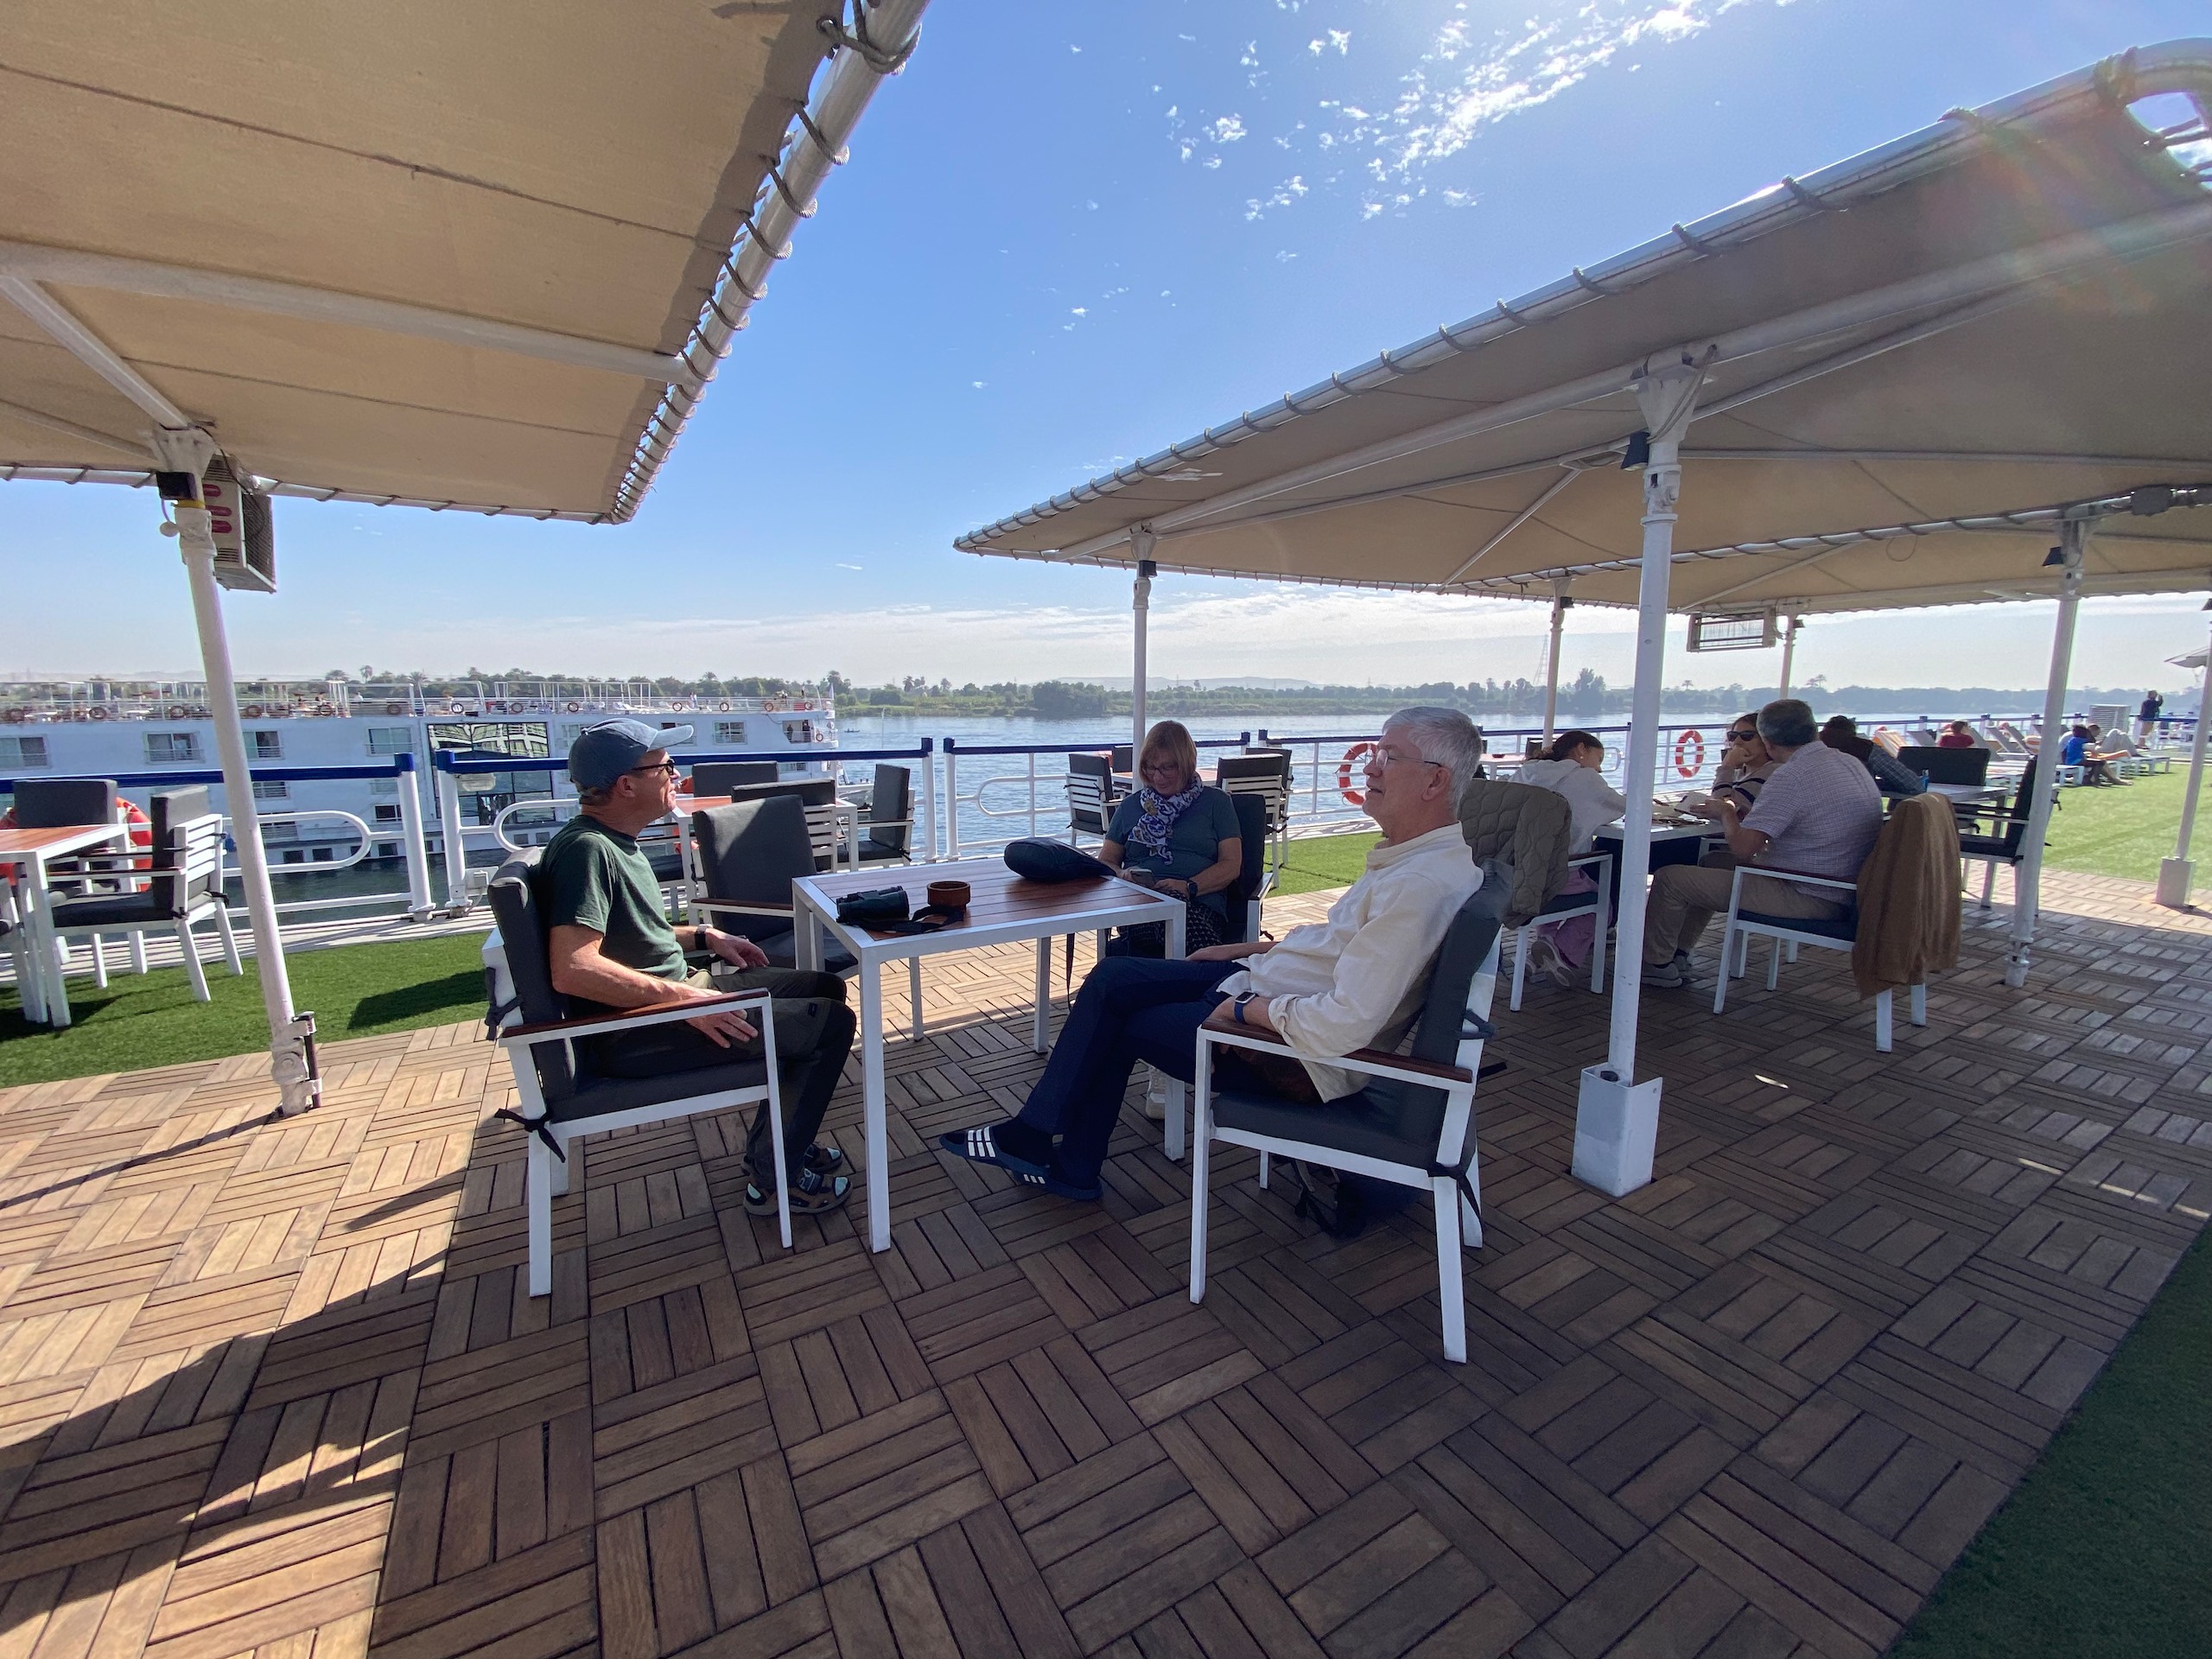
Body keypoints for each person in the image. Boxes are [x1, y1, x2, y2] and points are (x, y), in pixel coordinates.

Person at [939, 709, 1484, 1200]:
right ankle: (1044, 1143)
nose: (1370, 768)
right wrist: (1248, 949)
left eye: (1388, 757)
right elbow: (1339, 950)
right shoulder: (1414, 862)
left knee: (1118, 1018)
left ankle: (1058, 1154)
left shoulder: (1418, 886)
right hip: (1264, 982)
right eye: (1374, 753)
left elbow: (1345, 1024)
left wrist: (1245, 1009)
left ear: (1435, 780)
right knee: (1112, 977)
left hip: (1285, 1052)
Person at [540, 719, 856, 1216]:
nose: (676, 775)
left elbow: (632, 936)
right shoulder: (587, 852)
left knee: (822, 988)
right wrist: (687, 1001)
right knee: (830, 1026)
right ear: (626, 785)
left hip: (677, 996)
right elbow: (573, 968)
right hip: (640, 1029)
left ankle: (781, 1141)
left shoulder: (611, 841)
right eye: (665, 766)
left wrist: (705, 936)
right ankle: (778, 1178)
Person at [1643, 698, 1882, 988]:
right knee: (1710, 863)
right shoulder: (1850, 763)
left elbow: (1744, 848)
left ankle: (1655, 964)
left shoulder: (1791, 775)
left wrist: (1727, 812)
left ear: (1767, 742)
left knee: (1670, 879)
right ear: (1814, 729)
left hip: (1806, 893)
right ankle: (1677, 953)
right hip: (1847, 888)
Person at [1097, 720, 1242, 953]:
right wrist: (1123, 875)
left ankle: (1209, 963)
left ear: (1186, 764)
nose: (1157, 776)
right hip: (1141, 905)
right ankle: (1217, 964)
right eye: (1150, 768)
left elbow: (1231, 864)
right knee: (1164, 910)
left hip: (1200, 905)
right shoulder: (1130, 807)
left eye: (1167, 768)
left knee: (1175, 908)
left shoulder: (1217, 803)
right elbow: (1105, 862)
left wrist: (1188, 887)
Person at [1513, 730, 1625, 985]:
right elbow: (1620, 807)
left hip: (1514, 875)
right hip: (1556, 877)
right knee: (1603, 907)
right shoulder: (1585, 778)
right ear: (1581, 749)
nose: (1599, 768)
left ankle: (1540, 951)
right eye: (1599, 759)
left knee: (1562, 882)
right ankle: (1560, 949)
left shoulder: (1527, 771)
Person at [1821, 714, 1925, 797]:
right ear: (1853, 734)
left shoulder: (1813, 745)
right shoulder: (1864, 748)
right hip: (1856, 810)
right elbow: (1914, 785)